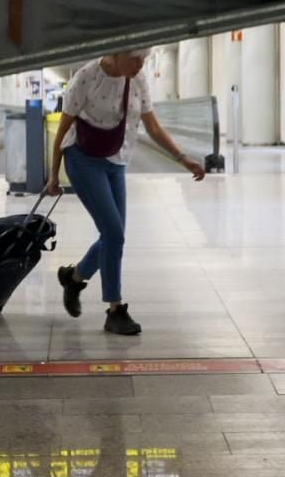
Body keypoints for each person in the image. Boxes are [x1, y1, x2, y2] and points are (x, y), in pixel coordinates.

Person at [45, 51, 206, 335]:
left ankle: (74, 277)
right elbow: (63, 129)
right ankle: (114, 310)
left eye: (144, 59)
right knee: (114, 232)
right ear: (117, 54)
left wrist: (183, 158)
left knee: (114, 236)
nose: (141, 65)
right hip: (83, 159)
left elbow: (153, 126)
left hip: (117, 160)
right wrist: (53, 175)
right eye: (136, 59)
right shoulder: (87, 77)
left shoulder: (138, 79)